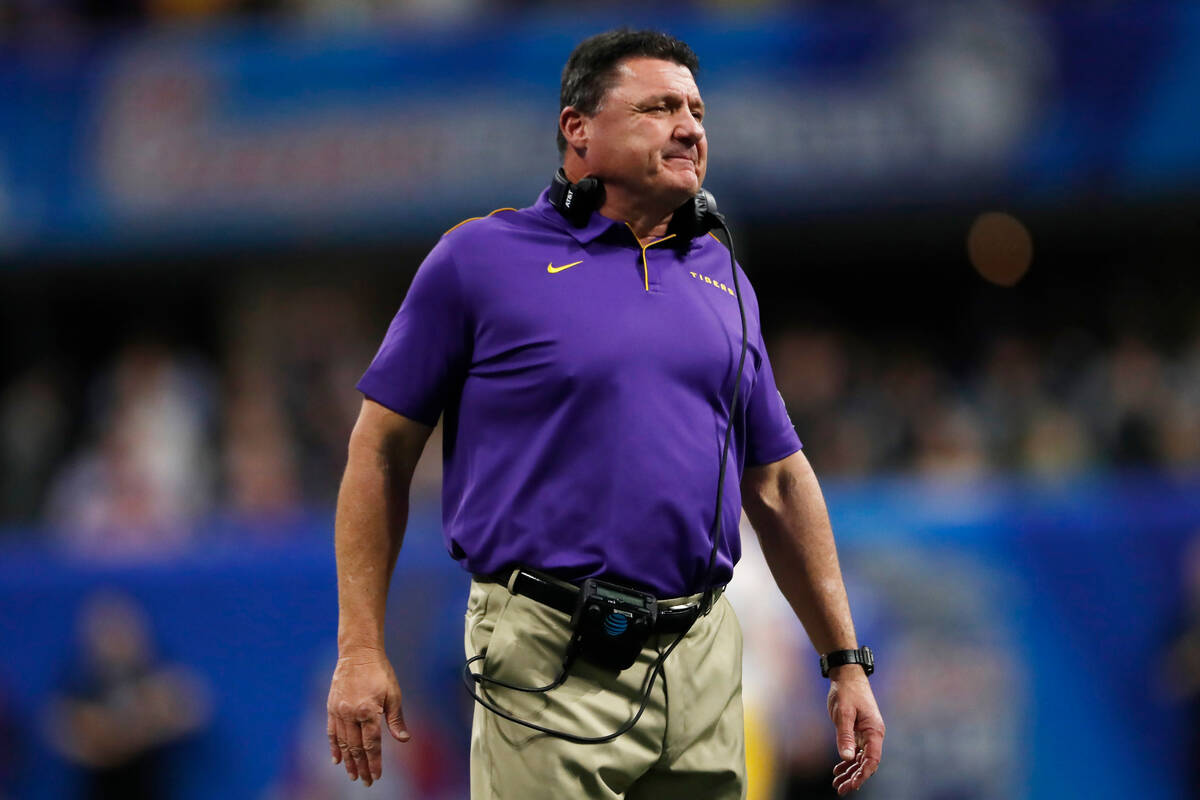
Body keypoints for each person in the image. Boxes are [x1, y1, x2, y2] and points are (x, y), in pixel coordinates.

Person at [326, 28, 884, 799]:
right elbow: (379, 454)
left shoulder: (724, 278)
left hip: (703, 657)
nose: (690, 127)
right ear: (577, 129)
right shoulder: (480, 260)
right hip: (549, 655)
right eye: (658, 107)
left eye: (696, 109)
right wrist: (361, 648)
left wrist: (844, 660)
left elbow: (781, 482)